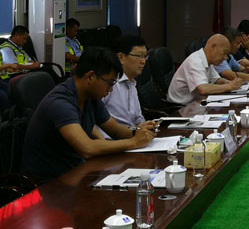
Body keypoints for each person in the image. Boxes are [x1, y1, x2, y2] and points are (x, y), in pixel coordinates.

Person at [21, 47, 156, 183]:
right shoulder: (60, 103)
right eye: (110, 83)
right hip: (48, 183)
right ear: (90, 77)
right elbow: (87, 148)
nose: (111, 89)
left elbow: (115, 130)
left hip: (76, 172)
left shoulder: (90, 97)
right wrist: (134, 142)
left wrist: (139, 131)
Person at [167, 34, 243, 105]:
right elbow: (203, 89)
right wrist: (229, 86)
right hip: (180, 108)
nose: (225, 58)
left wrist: (232, 83)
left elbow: (217, 80)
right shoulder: (195, 61)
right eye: (224, 53)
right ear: (213, 47)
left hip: (196, 103)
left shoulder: (208, 61)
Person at [101, 35, 156, 132]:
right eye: (139, 56)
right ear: (121, 57)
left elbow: (137, 120)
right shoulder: (107, 83)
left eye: (145, 56)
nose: (143, 61)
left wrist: (144, 125)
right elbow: (96, 123)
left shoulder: (132, 83)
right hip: (113, 138)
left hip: (132, 136)